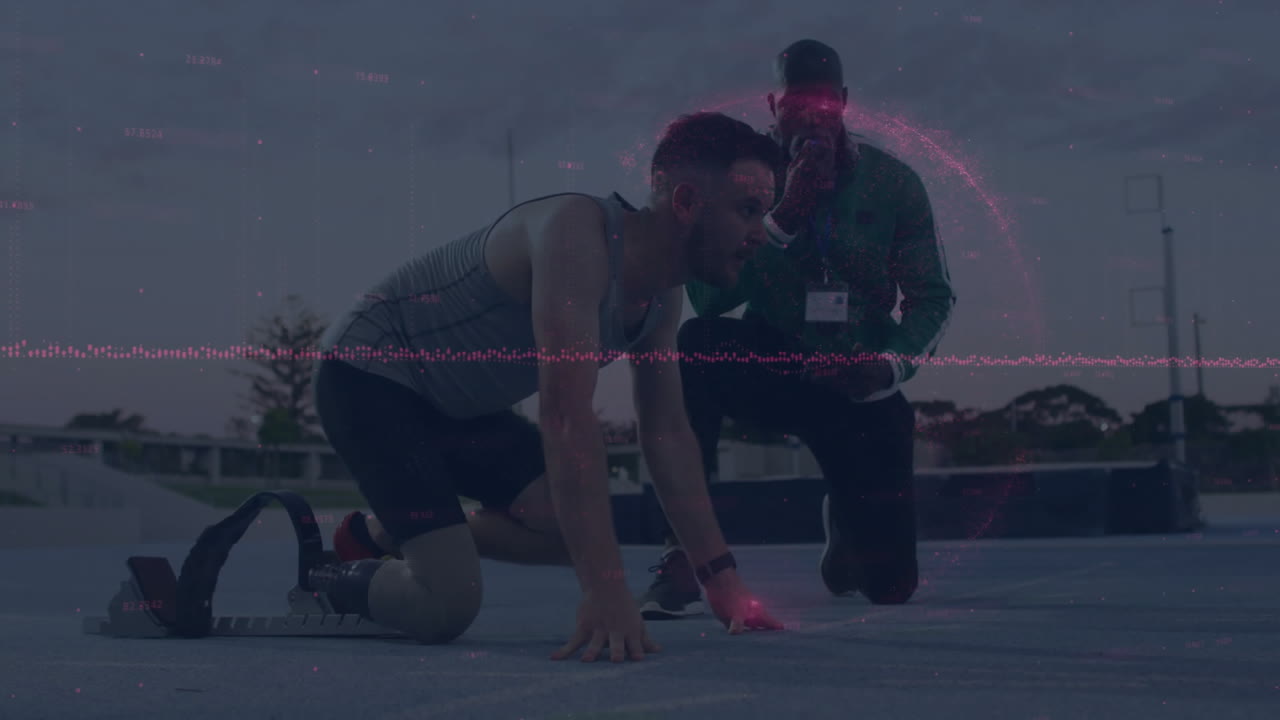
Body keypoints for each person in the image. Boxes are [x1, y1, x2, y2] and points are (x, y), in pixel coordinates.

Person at [308, 111, 785, 662]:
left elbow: (669, 436)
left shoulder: (661, 296)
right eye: (748, 210)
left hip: (460, 409)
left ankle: (379, 537)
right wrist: (606, 592)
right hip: (371, 377)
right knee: (446, 606)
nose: (760, 234)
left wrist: (720, 579)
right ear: (684, 202)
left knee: (573, 529)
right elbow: (565, 416)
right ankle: (322, 576)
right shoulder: (575, 234)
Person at [638, 40, 957, 619]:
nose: (811, 116)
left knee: (890, 588)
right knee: (695, 348)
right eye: (795, 103)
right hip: (774, 358)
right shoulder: (741, 180)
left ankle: (848, 534)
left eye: (824, 104)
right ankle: (682, 552)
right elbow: (707, 298)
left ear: (844, 103)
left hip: (856, 376)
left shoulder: (894, 184)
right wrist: (781, 217)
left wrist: (886, 369)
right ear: (772, 104)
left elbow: (933, 297)